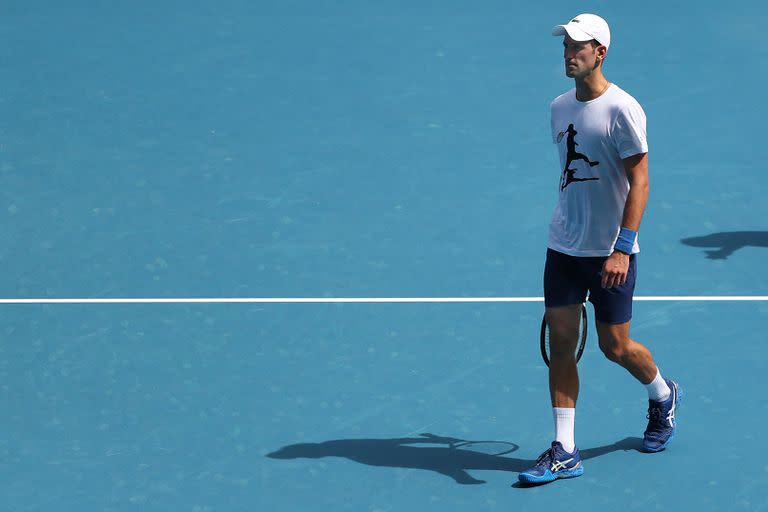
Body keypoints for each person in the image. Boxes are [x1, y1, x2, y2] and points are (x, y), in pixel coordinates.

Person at [518, 13, 681, 485]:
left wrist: (621, 248)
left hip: (611, 252)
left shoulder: (623, 109)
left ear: (600, 52)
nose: (570, 54)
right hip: (563, 247)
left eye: (579, 47)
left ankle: (662, 394)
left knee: (615, 347)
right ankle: (565, 450)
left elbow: (641, 180)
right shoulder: (557, 107)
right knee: (562, 344)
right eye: (566, 45)